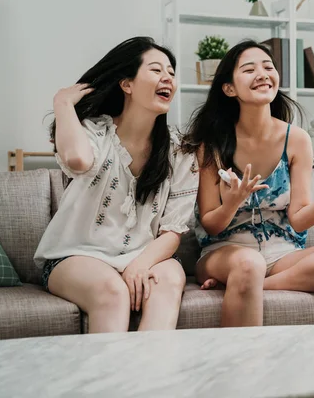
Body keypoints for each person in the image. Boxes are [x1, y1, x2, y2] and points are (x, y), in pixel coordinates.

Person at [181, 39, 314, 327]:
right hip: (224, 252)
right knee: (249, 264)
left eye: (268, 66)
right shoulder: (211, 142)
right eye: (249, 69)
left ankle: (251, 285)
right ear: (229, 88)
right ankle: (239, 365)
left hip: (283, 253)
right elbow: (211, 224)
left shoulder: (296, 139)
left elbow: (299, 221)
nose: (262, 73)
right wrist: (233, 203)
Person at [34, 37, 198, 333]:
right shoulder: (96, 132)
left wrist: (140, 265)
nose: (168, 79)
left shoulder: (180, 150)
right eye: (156, 70)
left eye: (172, 73)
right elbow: (78, 160)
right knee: (113, 292)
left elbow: (173, 230)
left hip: (143, 254)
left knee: (170, 279)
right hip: (76, 256)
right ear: (127, 84)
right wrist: (62, 102)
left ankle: (152, 379)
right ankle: (109, 380)